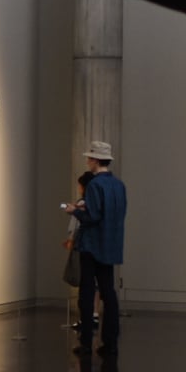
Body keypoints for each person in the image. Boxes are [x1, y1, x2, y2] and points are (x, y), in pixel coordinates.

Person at [67, 141, 126, 354]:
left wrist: (74, 211)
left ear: (95, 160)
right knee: (108, 292)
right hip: (110, 244)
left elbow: (92, 217)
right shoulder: (119, 185)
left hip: (92, 244)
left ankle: (85, 341)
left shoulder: (94, 185)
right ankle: (110, 341)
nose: (87, 162)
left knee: (87, 291)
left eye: (89, 158)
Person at [63, 169, 92, 326]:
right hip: (94, 245)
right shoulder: (94, 203)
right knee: (94, 283)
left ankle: (85, 318)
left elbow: (75, 224)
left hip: (82, 244)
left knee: (84, 281)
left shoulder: (82, 203)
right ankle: (94, 314)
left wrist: (70, 239)